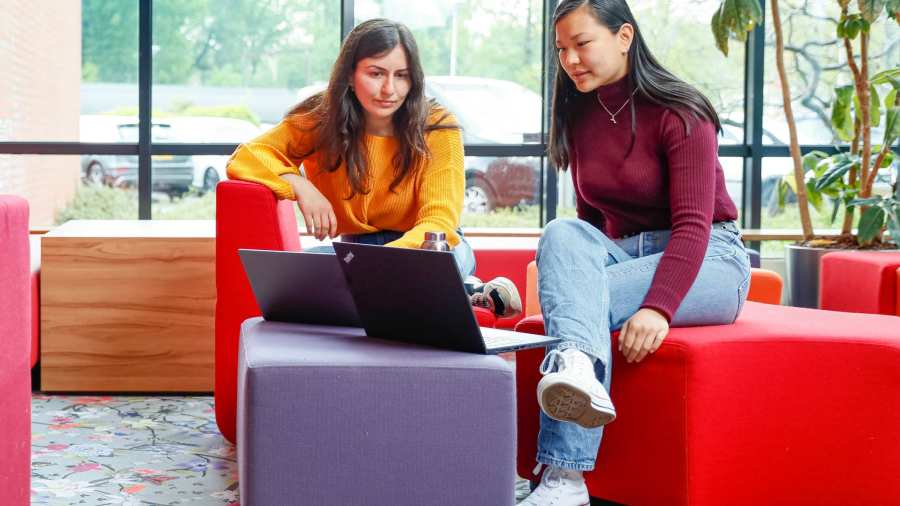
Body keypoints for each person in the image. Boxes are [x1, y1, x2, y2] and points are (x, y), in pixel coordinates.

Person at [519, 1, 751, 504]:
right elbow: (590, 226)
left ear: (624, 37)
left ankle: (563, 478)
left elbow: (693, 226)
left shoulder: (680, 111)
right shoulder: (578, 112)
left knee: (580, 307)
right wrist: (571, 273)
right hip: (626, 255)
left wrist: (657, 306)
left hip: (710, 259)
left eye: (582, 43)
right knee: (561, 231)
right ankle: (577, 367)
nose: (570, 59)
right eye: (561, 49)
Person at [226, 18, 521, 318]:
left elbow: (439, 221)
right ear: (350, 75)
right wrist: (299, 184)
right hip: (361, 251)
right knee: (292, 281)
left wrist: (380, 266)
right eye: (376, 73)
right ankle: (466, 293)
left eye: (401, 75)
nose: (389, 89)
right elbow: (246, 157)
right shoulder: (322, 117)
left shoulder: (437, 125)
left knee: (410, 275)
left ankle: (453, 288)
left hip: (432, 247)